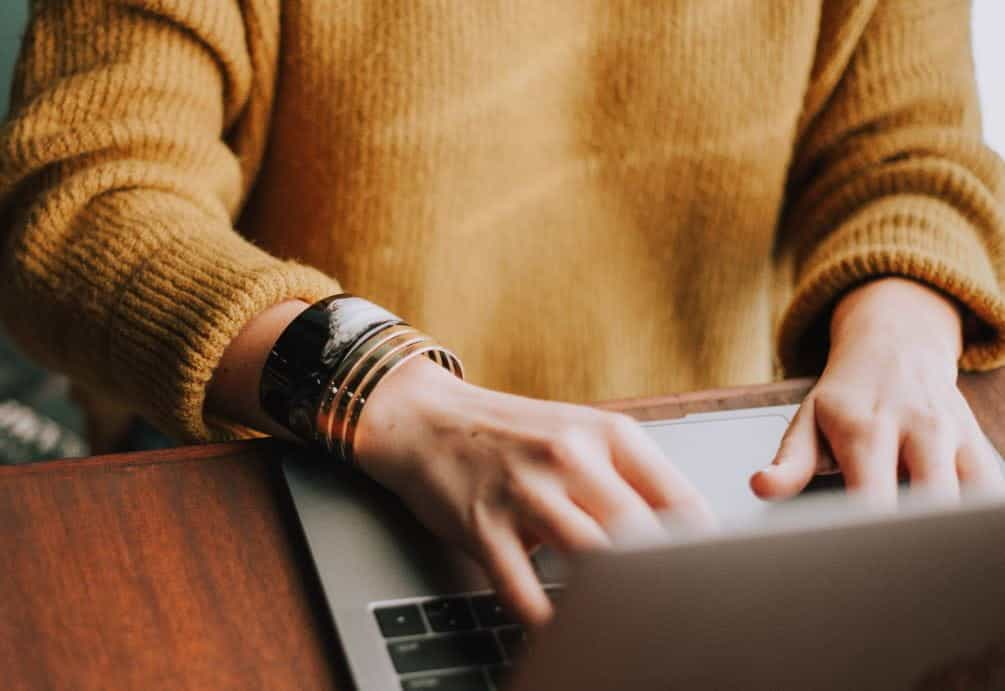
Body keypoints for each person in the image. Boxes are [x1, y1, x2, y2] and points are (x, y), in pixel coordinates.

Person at [1, 0, 1003, 626]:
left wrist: (904, 336)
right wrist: (385, 393)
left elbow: (913, 149)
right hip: (314, 466)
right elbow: (85, 199)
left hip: (719, 496)